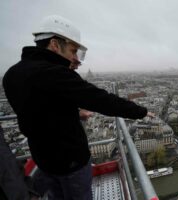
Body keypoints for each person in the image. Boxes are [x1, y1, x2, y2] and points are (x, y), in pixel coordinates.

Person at [2, 15, 154, 199]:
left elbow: (41, 109)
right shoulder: (56, 73)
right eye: (73, 50)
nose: (74, 58)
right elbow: (102, 100)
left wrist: (73, 111)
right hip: (70, 160)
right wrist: (141, 111)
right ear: (55, 45)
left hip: (43, 158)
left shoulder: (11, 75)